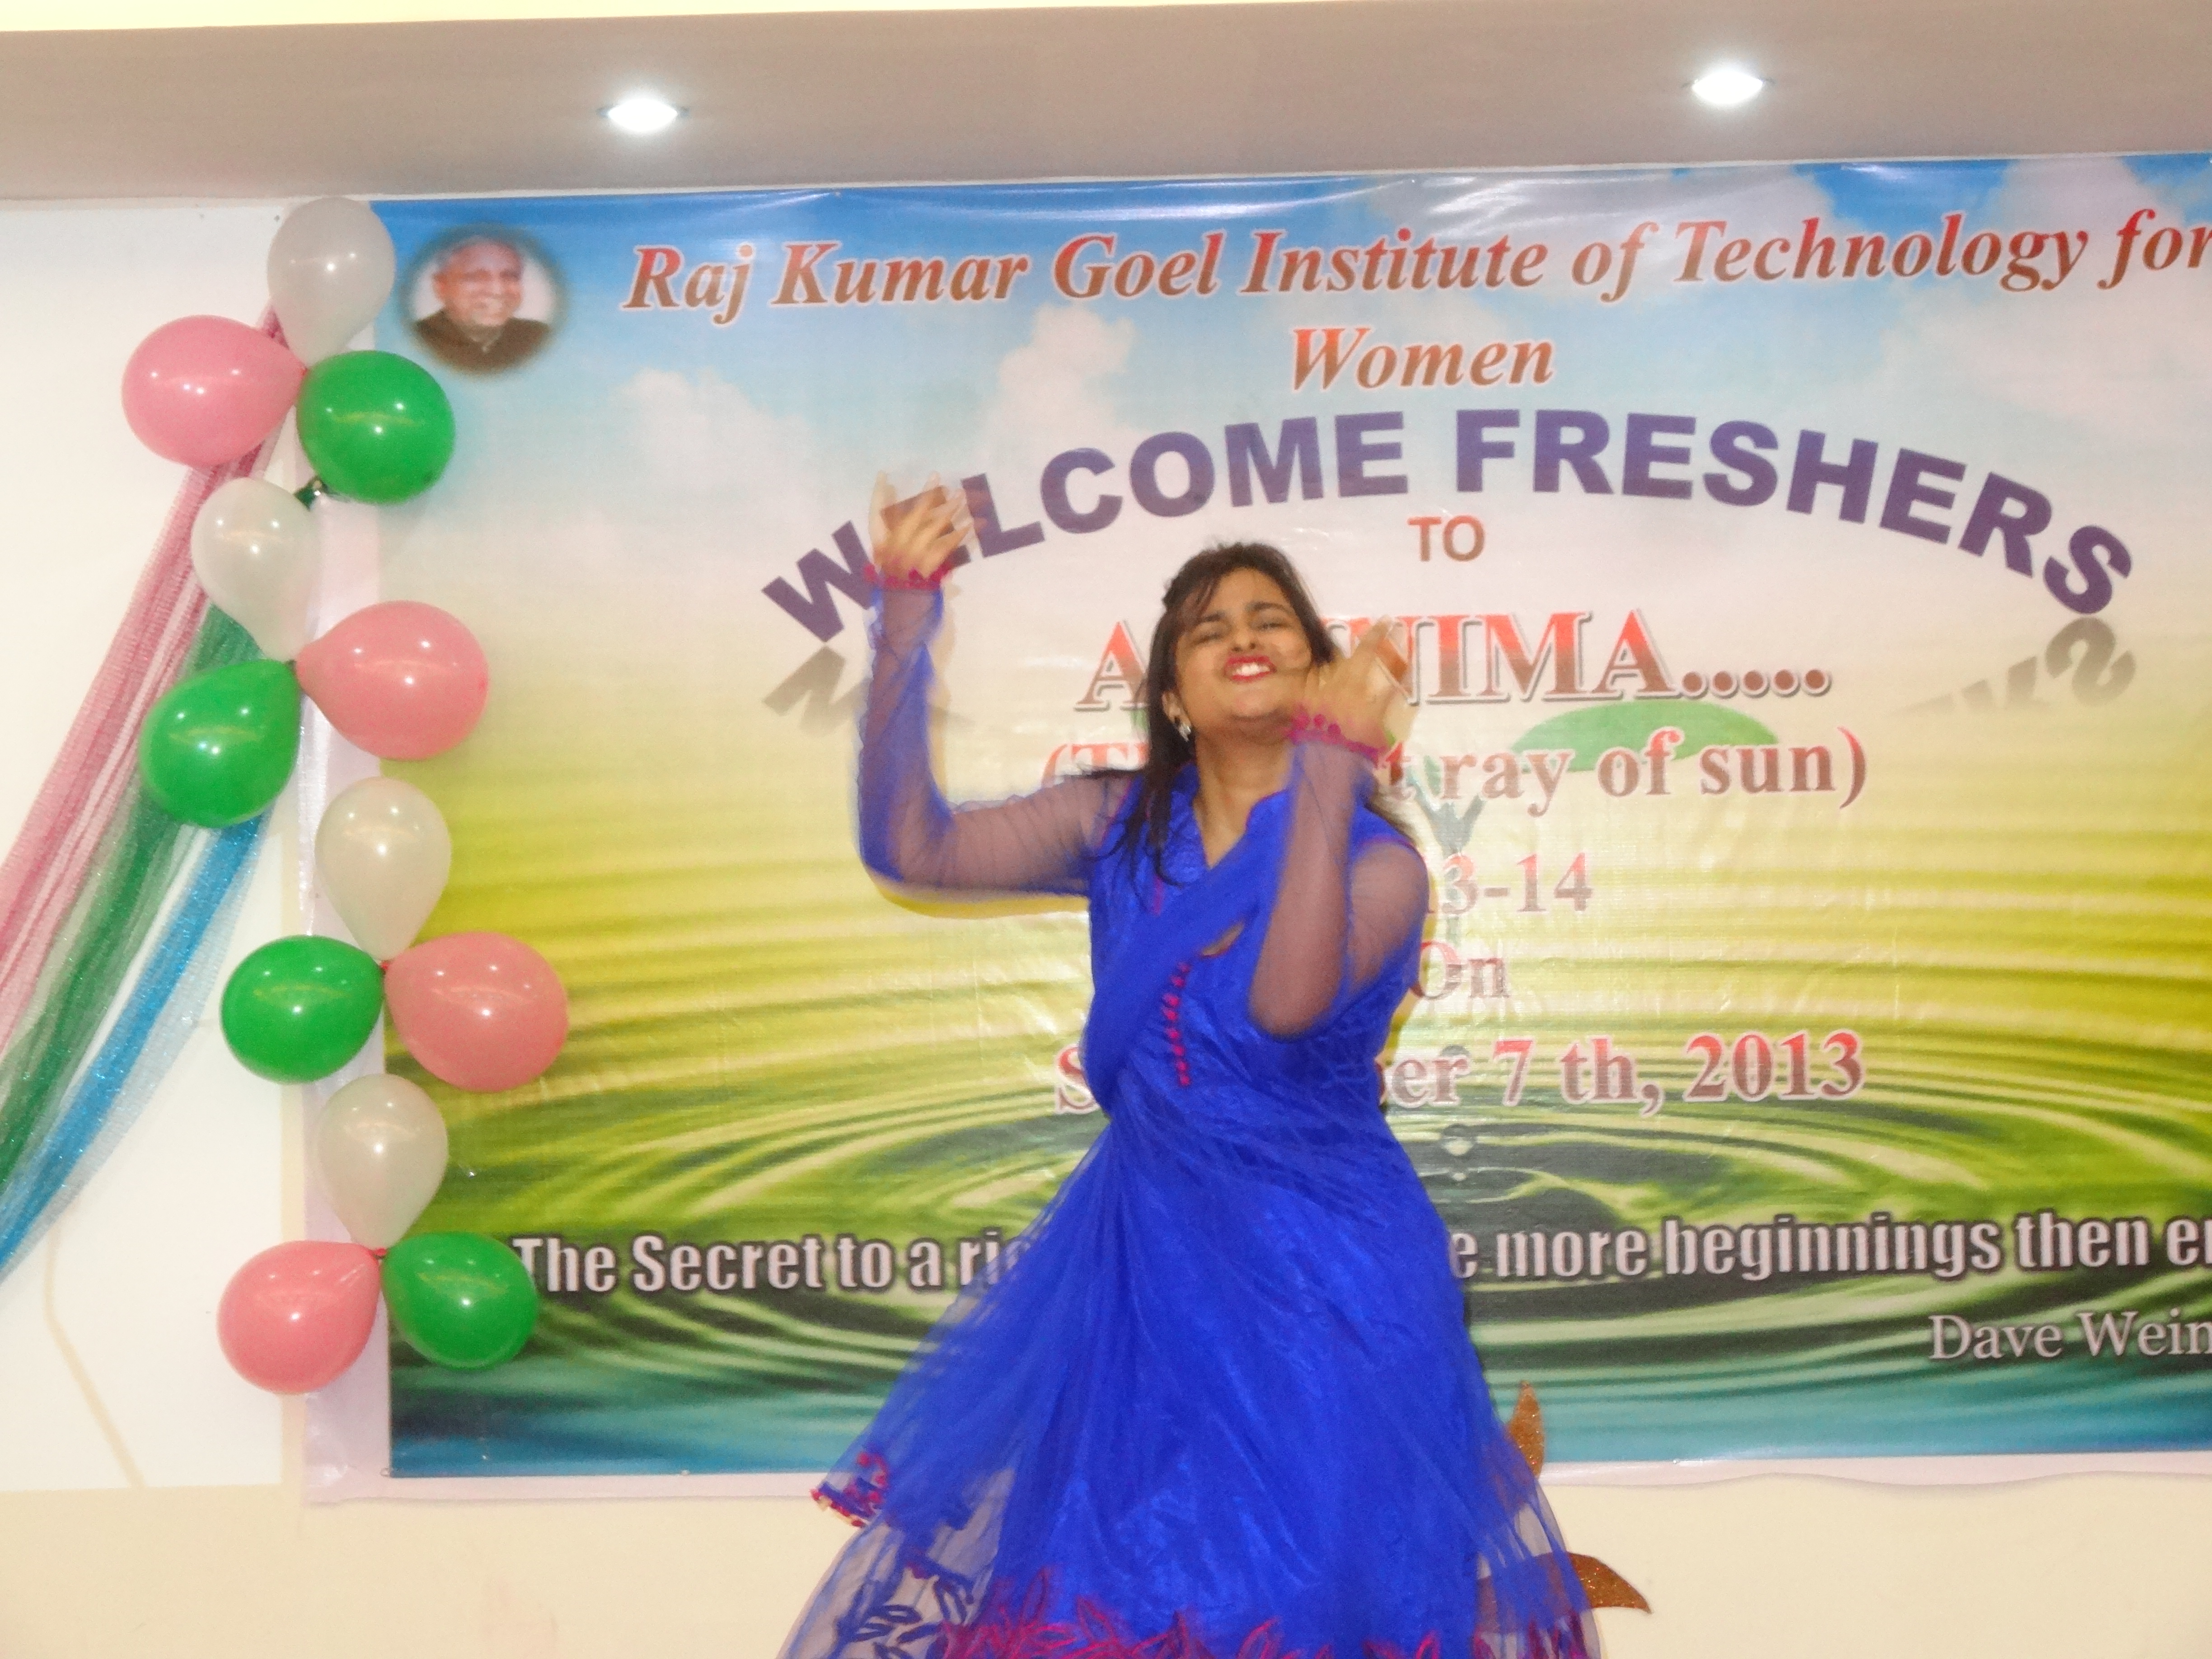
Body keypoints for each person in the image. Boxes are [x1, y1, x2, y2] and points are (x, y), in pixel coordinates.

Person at [783, 479, 1596, 1659]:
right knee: (1119, 1600)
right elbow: (911, 848)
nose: (1242, 637)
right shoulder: (1115, 825)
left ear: (1320, 676)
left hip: (1330, 1291)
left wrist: (1328, 774)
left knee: (1319, 1602)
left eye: (1272, 620)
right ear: (1172, 695)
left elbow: (1282, 1008)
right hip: (1141, 1287)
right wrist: (904, 612)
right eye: (1207, 630)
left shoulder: (1384, 866)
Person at [412, 236, 550, 372]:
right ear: (441, 286)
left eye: (510, 277)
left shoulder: (539, 337)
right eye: (477, 278)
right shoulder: (416, 340)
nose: (497, 291)